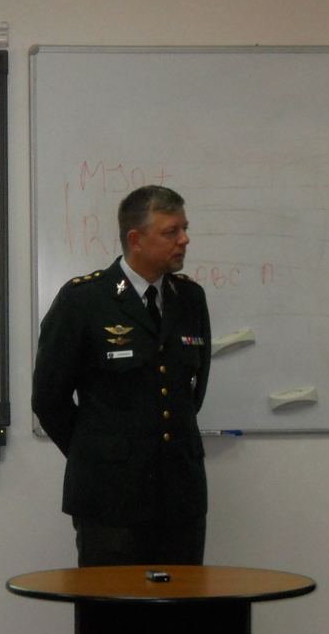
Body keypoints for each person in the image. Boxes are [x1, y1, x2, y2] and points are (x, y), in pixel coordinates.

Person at [32, 185, 212, 567]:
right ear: (136, 240)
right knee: (110, 606)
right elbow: (48, 400)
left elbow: (192, 393)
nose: (184, 239)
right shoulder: (84, 300)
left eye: (184, 229)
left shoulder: (190, 298)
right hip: (109, 500)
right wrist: (97, 455)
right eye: (171, 231)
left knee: (185, 604)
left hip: (181, 498)